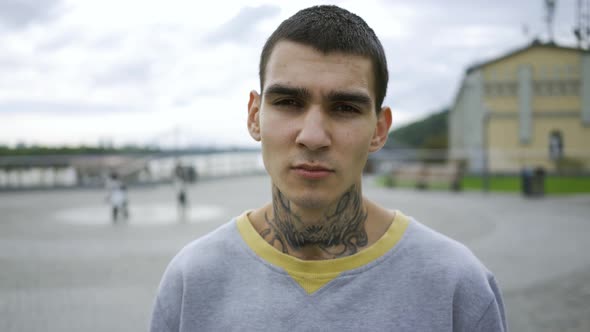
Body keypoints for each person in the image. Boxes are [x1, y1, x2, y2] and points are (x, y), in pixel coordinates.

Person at [150, 5, 507, 331]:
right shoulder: (191, 282)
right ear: (254, 116)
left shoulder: (457, 287)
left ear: (379, 130)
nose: (313, 136)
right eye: (289, 102)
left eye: (345, 108)